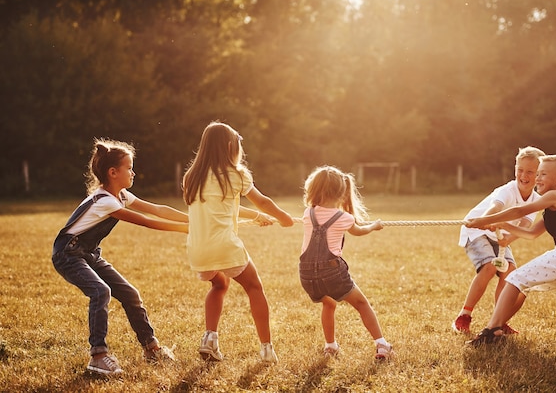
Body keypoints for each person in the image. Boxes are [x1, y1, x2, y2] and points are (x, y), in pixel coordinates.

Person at [52, 138, 189, 375]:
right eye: (129, 168)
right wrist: (186, 229)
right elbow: (147, 222)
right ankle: (98, 356)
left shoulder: (121, 195)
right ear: (113, 172)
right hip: (68, 254)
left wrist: (192, 219)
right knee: (100, 291)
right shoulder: (105, 201)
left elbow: (156, 209)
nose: (133, 172)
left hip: (88, 253)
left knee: (130, 294)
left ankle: (151, 349)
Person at [182, 121, 294, 364]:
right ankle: (266, 349)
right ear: (230, 146)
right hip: (224, 245)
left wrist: (257, 217)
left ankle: (209, 339)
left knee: (219, 285)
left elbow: (221, 207)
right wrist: (283, 217)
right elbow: (262, 201)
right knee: (254, 287)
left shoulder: (192, 177)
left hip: (197, 248)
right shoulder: (236, 174)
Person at [465, 155, 556, 346]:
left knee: (514, 278)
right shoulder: (552, 207)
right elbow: (532, 233)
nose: (537, 178)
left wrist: (484, 220)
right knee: (523, 285)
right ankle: (498, 326)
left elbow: (519, 211)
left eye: (542, 174)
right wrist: (502, 224)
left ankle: (490, 331)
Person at [299, 165, 394, 360]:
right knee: (361, 303)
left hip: (307, 276)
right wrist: (374, 226)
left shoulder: (307, 213)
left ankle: (330, 346)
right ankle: (382, 345)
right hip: (332, 273)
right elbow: (359, 231)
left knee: (328, 303)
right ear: (342, 192)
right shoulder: (345, 217)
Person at [452, 146, 545, 335]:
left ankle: (498, 321)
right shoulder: (507, 190)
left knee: (510, 273)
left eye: (530, 172)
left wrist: (508, 239)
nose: (523, 175)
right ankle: (464, 316)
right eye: (520, 170)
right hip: (477, 230)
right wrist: (485, 220)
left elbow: (525, 224)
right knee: (489, 266)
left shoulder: (536, 199)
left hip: (501, 235)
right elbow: (495, 207)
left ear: (539, 175)